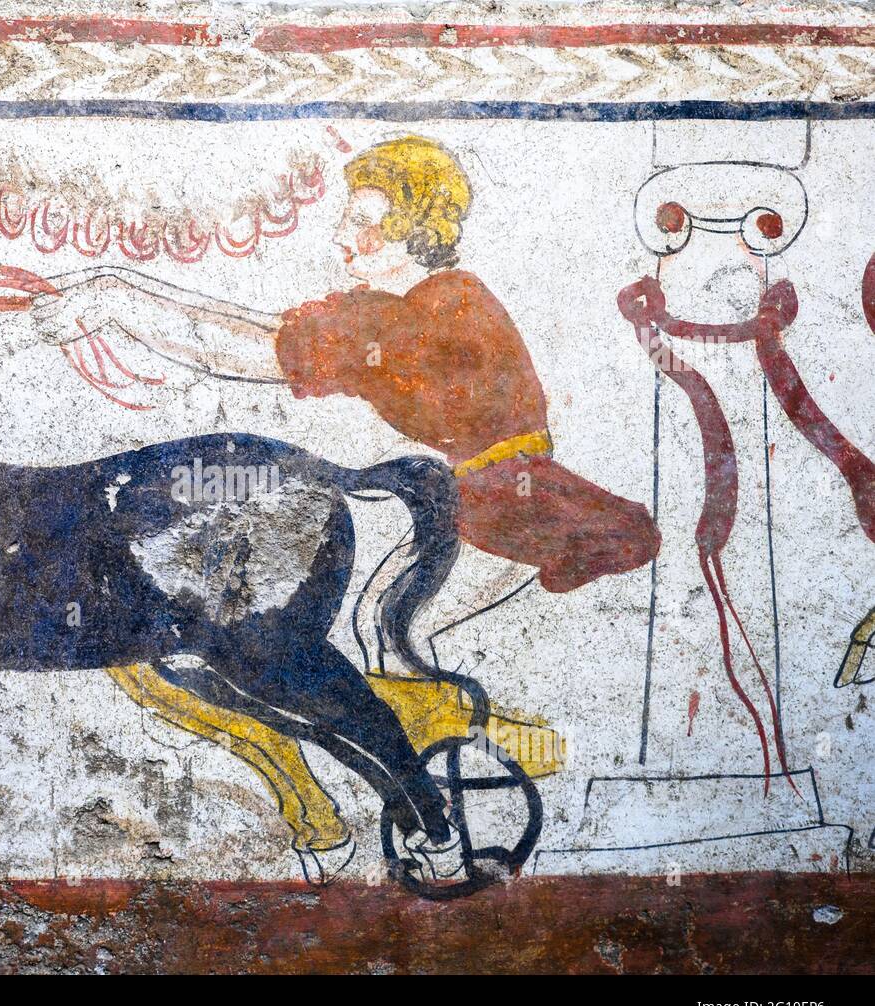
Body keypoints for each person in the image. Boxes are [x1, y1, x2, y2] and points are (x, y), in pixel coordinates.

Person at [32, 135, 660, 880]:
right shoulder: (414, 306)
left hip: (495, 510)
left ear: (416, 230)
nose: (341, 234)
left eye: (365, 218)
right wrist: (120, 290)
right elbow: (265, 331)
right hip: (469, 494)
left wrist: (121, 302)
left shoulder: (434, 314)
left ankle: (423, 773)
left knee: (342, 653)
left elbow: (247, 353)